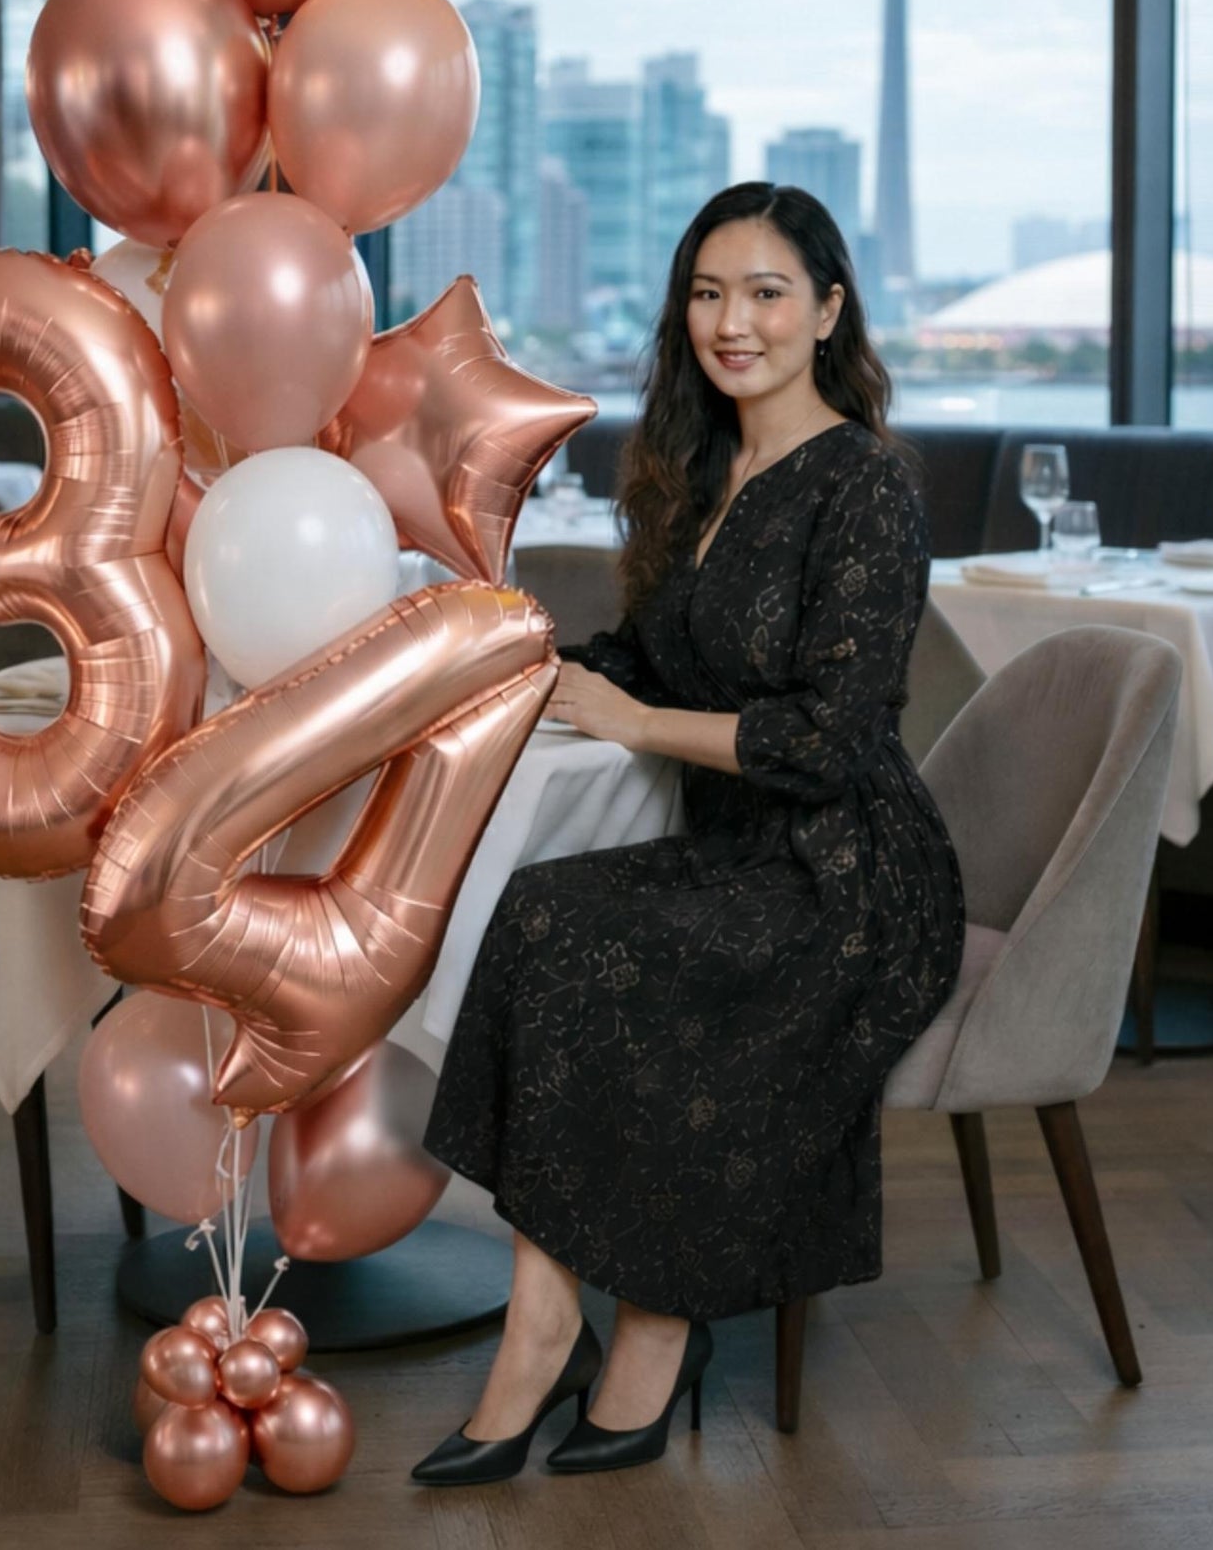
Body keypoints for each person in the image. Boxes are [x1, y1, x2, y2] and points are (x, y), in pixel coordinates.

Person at [413, 182, 964, 1485]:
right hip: (736, 851)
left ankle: (622, 1332)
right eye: (707, 292)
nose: (733, 321)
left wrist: (635, 724)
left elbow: (827, 738)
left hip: (850, 875)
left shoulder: (864, 485)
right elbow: (653, 657)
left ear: (827, 310)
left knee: (584, 935)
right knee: (547, 917)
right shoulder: (700, 469)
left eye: (767, 291)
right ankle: (555, 1320)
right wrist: (508, 658)